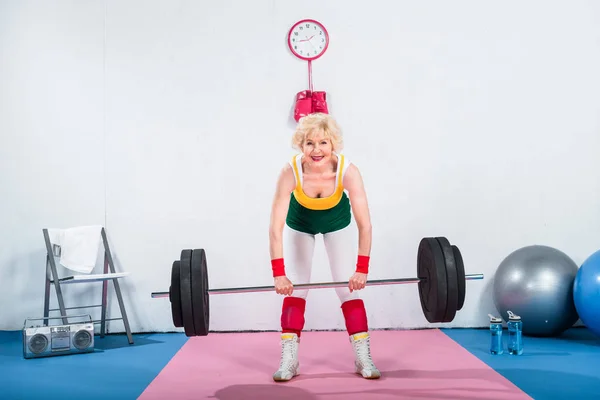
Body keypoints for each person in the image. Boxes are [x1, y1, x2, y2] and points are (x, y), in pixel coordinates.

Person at [268, 112, 381, 382]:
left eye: (323, 143)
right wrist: (278, 273)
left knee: (347, 289)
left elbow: (365, 225)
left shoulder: (348, 171)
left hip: (338, 226)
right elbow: (275, 228)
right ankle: (290, 360)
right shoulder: (290, 172)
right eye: (309, 143)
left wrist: (361, 269)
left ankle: (362, 357)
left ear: (333, 145)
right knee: (296, 288)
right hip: (300, 226)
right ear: (300, 145)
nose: (316, 150)